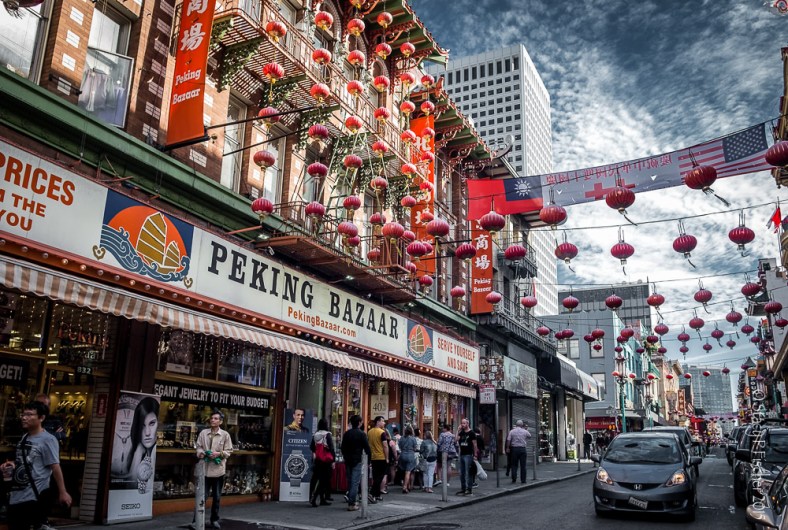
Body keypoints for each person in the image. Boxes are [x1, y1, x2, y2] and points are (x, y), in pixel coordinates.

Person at [1, 401, 72, 530]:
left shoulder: (48, 440)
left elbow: (55, 466)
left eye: (29, 414)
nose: (24, 417)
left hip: (33, 497)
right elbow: (25, 460)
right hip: (16, 495)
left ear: (41, 418)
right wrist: (12, 464)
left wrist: (63, 492)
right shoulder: (25, 437)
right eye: (23, 414)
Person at [193, 410, 233, 529]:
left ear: (220, 421)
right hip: (204, 470)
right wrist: (202, 453)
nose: (212, 420)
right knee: (202, 497)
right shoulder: (203, 433)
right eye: (212, 418)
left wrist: (218, 453)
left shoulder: (225, 435)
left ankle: (214, 519)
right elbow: (198, 447)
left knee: (217, 497)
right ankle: (196, 521)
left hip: (218, 471)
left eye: (215, 418)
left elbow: (229, 451)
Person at [340, 414, 370, 511]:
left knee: (350, 481)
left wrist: (345, 456)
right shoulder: (362, 434)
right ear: (359, 423)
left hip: (348, 460)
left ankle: (351, 499)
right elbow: (367, 448)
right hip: (357, 460)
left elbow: (342, 447)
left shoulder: (347, 433)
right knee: (355, 482)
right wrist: (369, 461)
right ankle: (352, 503)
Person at [309, 418, 335, 507]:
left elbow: (312, 447)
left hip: (318, 460)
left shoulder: (315, 435)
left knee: (316, 478)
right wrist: (333, 460)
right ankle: (315, 498)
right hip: (326, 461)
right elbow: (331, 448)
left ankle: (321, 499)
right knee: (324, 480)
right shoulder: (327, 435)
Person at [367, 416, 390, 503]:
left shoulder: (369, 432)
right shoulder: (382, 433)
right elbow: (385, 446)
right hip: (381, 457)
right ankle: (372, 493)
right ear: (378, 422)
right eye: (383, 421)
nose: (384, 423)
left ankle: (377, 495)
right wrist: (387, 458)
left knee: (375, 476)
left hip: (373, 457)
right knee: (380, 477)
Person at [455, 418, 477, 496]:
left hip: (468, 454)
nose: (463, 425)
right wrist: (458, 430)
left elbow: (474, 444)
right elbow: (456, 440)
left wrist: (475, 455)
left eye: (464, 423)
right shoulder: (461, 433)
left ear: (468, 424)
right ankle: (463, 488)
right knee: (462, 473)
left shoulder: (471, 433)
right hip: (462, 454)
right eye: (462, 423)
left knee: (468, 472)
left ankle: (469, 488)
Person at [506, 420, 531, 484]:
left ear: (516, 425)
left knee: (514, 465)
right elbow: (529, 436)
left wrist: (508, 448)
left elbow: (508, 440)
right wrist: (525, 431)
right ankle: (523, 480)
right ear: (522, 425)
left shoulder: (512, 431)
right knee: (523, 465)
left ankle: (514, 478)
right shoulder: (525, 431)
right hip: (522, 449)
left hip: (514, 449)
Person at [397, 426, 417, 494]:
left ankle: (407, 486)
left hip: (402, 455)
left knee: (404, 471)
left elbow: (399, 446)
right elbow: (415, 448)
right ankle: (405, 487)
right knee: (408, 472)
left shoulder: (402, 438)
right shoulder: (413, 438)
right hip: (410, 455)